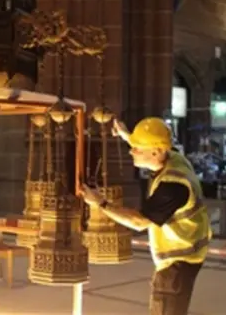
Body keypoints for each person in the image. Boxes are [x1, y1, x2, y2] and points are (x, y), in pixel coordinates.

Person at [78, 117, 211, 315]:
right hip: (188, 254)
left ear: (156, 152)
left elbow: (139, 221)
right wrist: (127, 135)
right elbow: (152, 144)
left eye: (137, 149)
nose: (131, 151)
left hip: (177, 262)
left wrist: (100, 203)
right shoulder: (175, 158)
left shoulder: (173, 186)